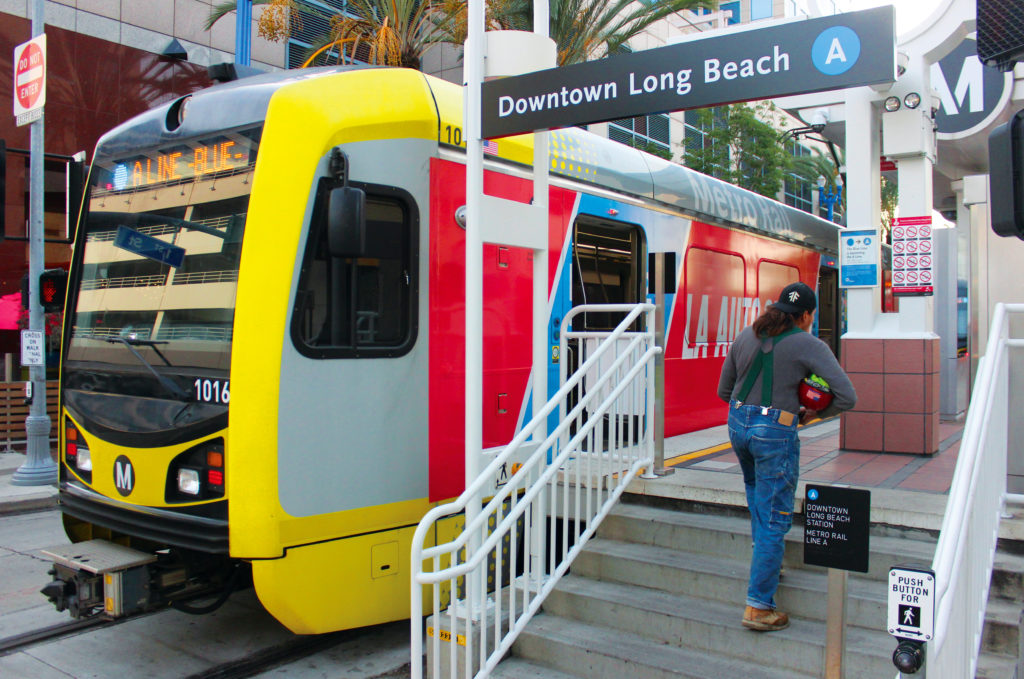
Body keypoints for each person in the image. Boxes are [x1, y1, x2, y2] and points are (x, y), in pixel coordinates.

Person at [717, 281, 856, 632]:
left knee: (757, 497)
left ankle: (768, 561)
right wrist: (811, 414)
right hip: (774, 432)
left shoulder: (748, 334)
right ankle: (759, 606)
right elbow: (847, 396)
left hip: (738, 425)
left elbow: (723, 390)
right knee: (775, 516)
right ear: (806, 315)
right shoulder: (809, 343)